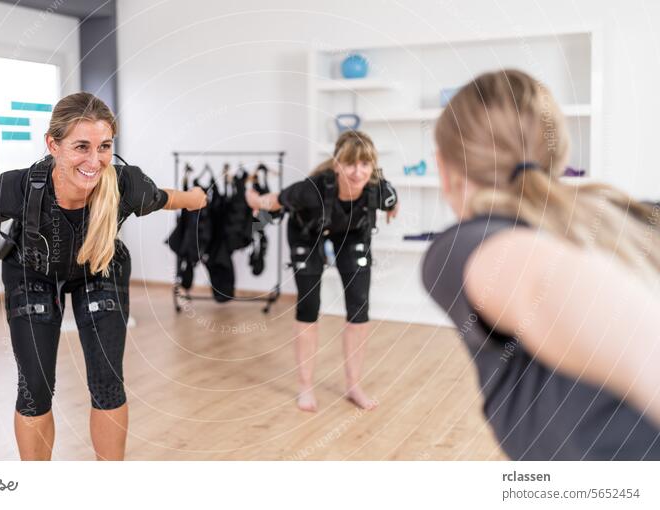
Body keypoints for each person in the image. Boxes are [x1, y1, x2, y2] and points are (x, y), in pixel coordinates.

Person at [0, 92, 206, 461]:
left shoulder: (126, 185)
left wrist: (196, 197)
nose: (95, 160)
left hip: (99, 268)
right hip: (30, 272)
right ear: (53, 144)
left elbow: (166, 197)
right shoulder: (19, 187)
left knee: (107, 382)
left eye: (104, 146)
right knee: (34, 388)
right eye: (81, 146)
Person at [423, 69, 660, 459]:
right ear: (560, 153)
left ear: (445, 170)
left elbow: (540, 283)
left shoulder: (460, 249)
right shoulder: (627, 218)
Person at [245, 131, 399, 412]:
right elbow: (272, 201)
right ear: (337, 164)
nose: (357, 172)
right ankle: (305, 387)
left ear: (373, 166)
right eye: (350, 164)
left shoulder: (379, 189)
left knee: (359, 307)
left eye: (365, 164)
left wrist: (393, 207)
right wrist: (252, 199)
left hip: (352, 234)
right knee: (309, 306)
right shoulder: (311, 189)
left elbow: (392, 200)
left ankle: (353, 385)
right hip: (306, 233)